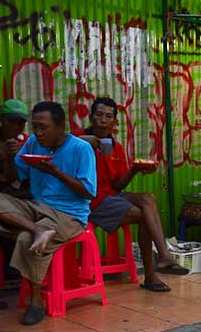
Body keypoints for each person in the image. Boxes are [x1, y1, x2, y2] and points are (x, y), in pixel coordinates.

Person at [0, 101, 97, 326]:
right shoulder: (33, 143)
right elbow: (15, 176)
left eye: (44, 127)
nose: (38, 133)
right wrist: (9, 157)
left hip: (69, 214)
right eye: (35, 127)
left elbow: (89, 193)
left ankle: (36, 302)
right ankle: (37, 229)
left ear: (61, 127)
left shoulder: (81, 149)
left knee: (25, 239)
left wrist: (55, 172)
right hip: (37, 207)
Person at [80, 97, 188, 293]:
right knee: (146, 216)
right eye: (99, 115)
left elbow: (118, 185)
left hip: (112, 196)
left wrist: (135, 170)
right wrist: (84, 141)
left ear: (115, 122)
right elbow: (58, 144)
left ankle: (163, 256)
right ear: (91, 117)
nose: (103, 119)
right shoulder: (77, 139)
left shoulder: (117, 147)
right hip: (91, 200)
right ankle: (152, 273)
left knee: (149, 199)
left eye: (108, 116)